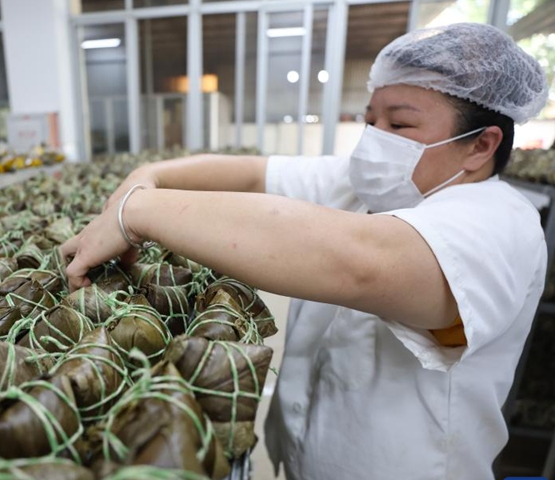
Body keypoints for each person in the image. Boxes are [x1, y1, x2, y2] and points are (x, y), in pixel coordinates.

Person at [59, 22, 550, 479]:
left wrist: (139, 213)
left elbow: (357, 265)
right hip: (304, 462)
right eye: (370, 121)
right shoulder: (371, 187)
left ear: (481, 145)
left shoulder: (498, 224)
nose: (374, 142)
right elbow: (251, 174)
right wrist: (145, 180)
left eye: (400, 127)